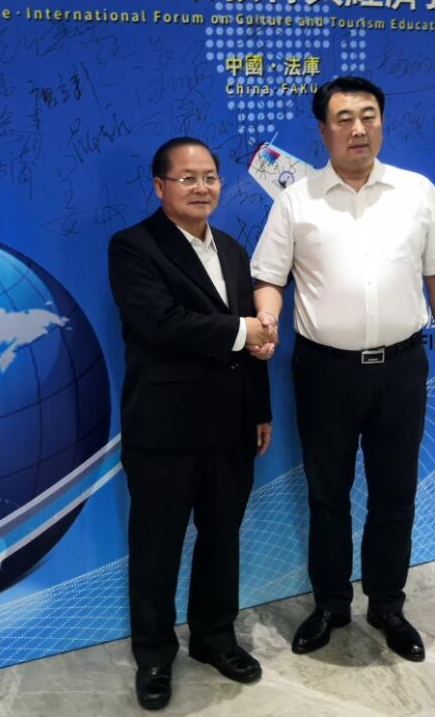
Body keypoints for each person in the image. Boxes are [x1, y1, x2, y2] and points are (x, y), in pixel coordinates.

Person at [250, 76, 435, 662]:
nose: (358, 128)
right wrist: (268, 318)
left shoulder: (417, 191)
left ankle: (388, 605)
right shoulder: (297, 200)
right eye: (344, 118)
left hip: (401, 370)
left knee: (395, 494)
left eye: (369, 116)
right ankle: (330, 604)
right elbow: (269, 277)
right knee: (328, 496)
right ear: (323, 130)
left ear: (382, 123)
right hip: (325, 372)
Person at [108, 137, 276, 710]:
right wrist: (244, 332)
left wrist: (260, 408)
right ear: (160, 187)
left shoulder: (231, 248)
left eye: (210, 177)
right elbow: (161, 323)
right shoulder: (133, 247)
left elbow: (252, 339)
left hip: (232, 424)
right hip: (165, 428)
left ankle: (214, 636)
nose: (201, 187)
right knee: (156, 546)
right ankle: (155, 654)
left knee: (222, 537)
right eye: (187, 178)